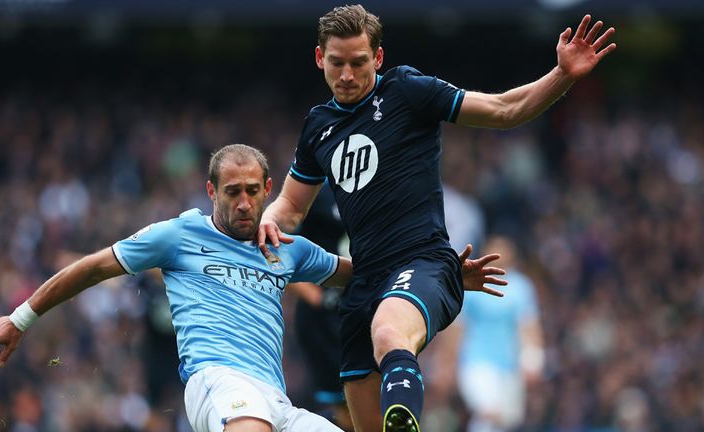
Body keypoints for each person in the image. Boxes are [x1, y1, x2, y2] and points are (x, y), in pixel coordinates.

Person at [256, 5, 615, 432]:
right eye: (337, 63)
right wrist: (269, 221)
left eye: (358, 63)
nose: (347, 74)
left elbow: (504, 109)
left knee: (389, 333)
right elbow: (292, 206)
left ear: (379, 58)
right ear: (320, 59)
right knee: (359, 421)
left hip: (423, 263)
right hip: (363, 282)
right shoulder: (319, 127)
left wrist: (563, 75)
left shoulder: (407, 90)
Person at [0, 144, 504, 432]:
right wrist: (19, 318)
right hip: (217, 382)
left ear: (268, 189)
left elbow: (364, 274)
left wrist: (448, 276)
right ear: (212, 191)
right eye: (233, 192)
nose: (245, 203)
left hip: (278, 400)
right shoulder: (179, 234)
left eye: (254, 191)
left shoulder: (289, 249)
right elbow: (91, 267)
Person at [456, 236, 544, 432]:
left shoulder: (521, 287)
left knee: (506, 420)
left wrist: (534, 358)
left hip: (509, 366)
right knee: (488, 410)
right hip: (475, 361)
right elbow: (458, 327)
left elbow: (529, 326)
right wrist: (448, 362)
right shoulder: (472, 283)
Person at [288, 181, 354, 431]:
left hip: (364, 311)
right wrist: (315, 296)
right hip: (325, 323)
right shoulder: (314, 191)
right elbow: (275, 245)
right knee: (346, 410)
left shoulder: (378, 183)